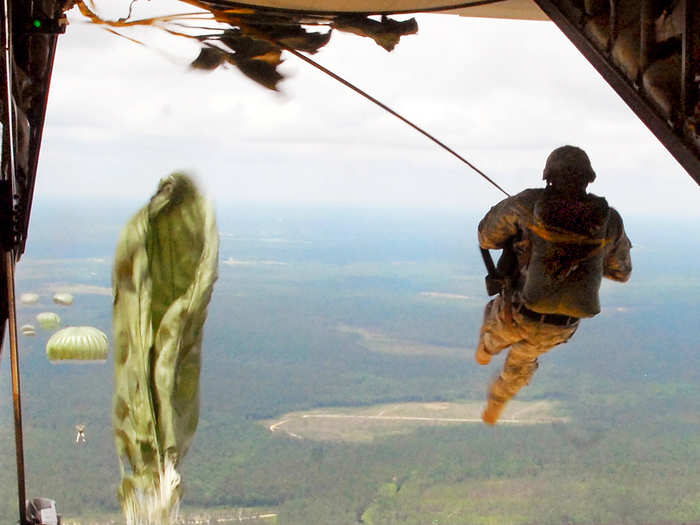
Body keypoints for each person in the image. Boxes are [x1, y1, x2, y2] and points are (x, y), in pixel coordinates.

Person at [475, 145, 632, 425]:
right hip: (561, 325)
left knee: (493, 322)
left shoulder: (526, 205)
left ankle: (487, 349)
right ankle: (499, 399)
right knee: (524, 359)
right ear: (588, 179)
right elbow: (621, 272)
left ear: (548, 175)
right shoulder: (610, 220)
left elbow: (486, 237)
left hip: (516, 313)